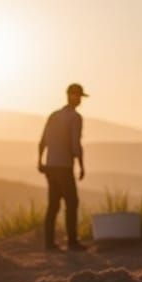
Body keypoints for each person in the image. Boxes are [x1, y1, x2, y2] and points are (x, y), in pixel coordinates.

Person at [38, 83, 88, 251]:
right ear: (73, 96)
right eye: (79, 96)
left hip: (51, 165)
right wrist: (81, 165)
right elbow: (75, 144)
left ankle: (48, 243)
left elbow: (43, 140)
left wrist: (40, 161)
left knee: (53, 205)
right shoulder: (75, 118)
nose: (80, 100)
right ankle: (72, 242)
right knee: (72, 202)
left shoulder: (54, 115)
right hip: (64, 166)